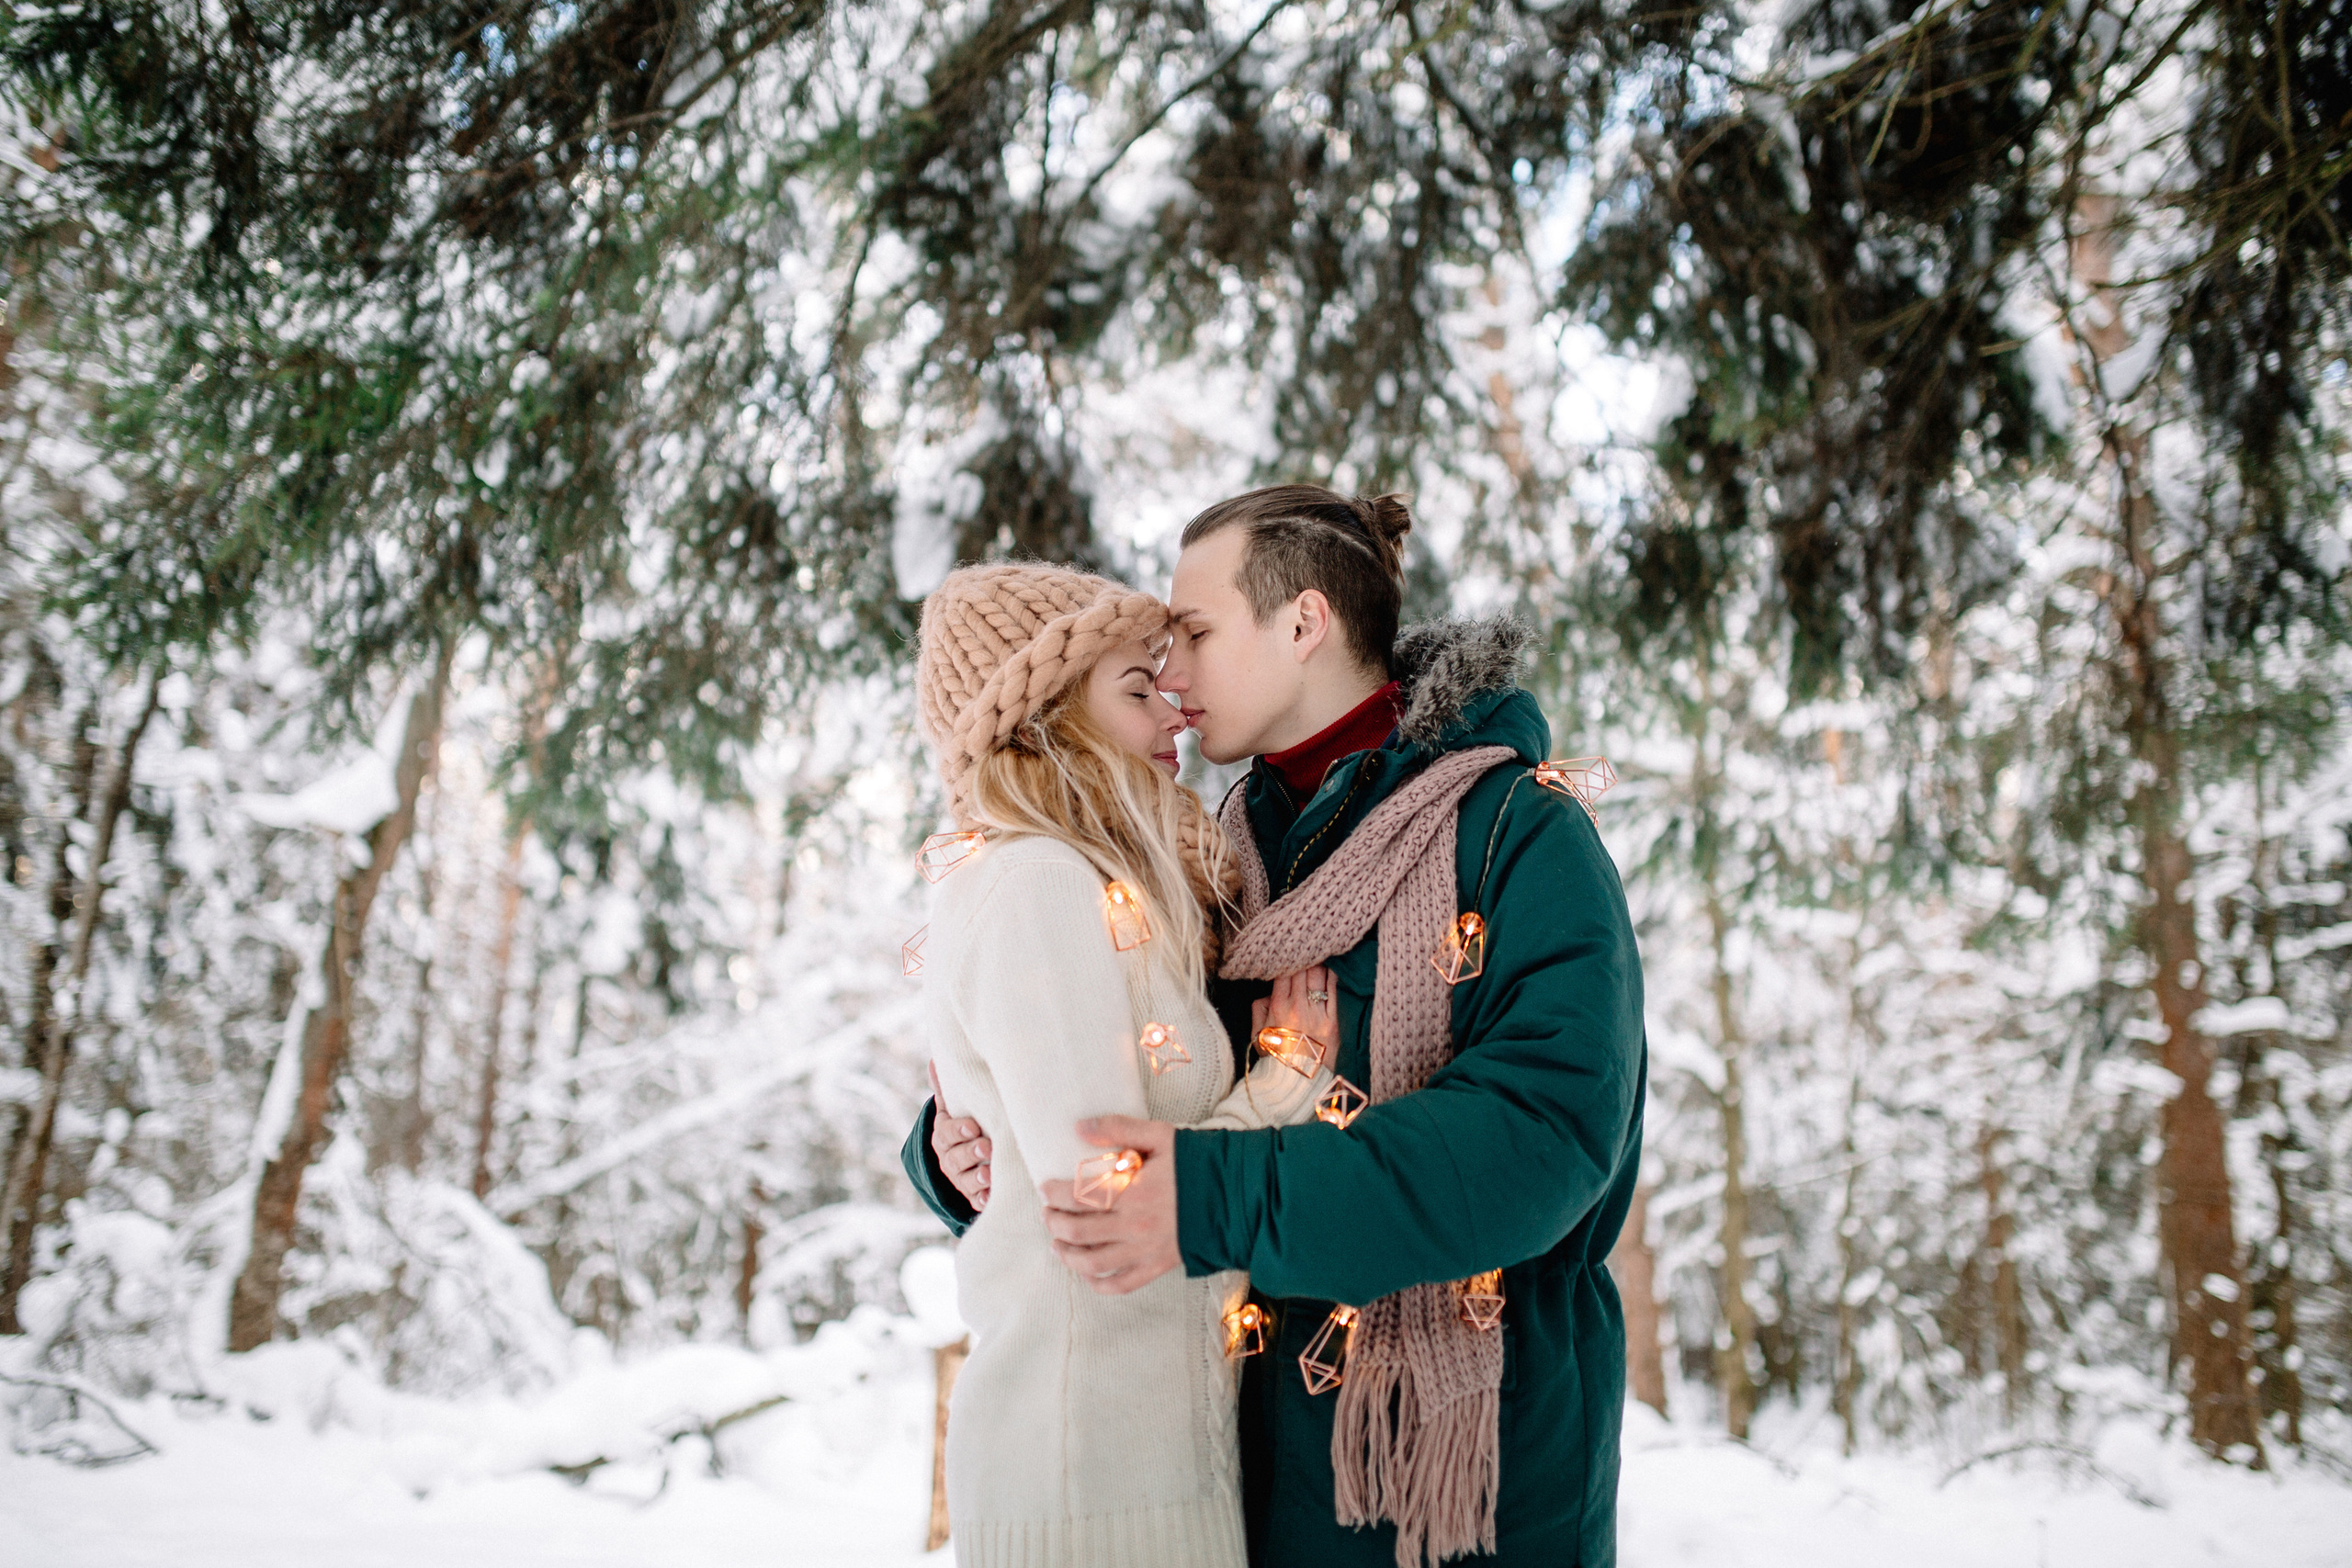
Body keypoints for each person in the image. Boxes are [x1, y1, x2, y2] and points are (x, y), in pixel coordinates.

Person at [908, 490, 1647, 1568]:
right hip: (1244, 1478)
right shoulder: (1212, 857)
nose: (1172, 677)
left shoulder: (1518, 835)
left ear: (1302, 623)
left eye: (1195, 634)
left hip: (1465, 1488)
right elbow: (1134, 1089)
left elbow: (1541, 1139)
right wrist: (961, 1148)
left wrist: (1215, 1199)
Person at [908, 561, 1341, 1568]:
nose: (1174, 713)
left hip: (1148, 1465)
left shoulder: (1112, 887)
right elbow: (1105, 1207)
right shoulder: (1035, 885)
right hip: (1088, 1480)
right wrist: (1283, 1083)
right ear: (1046, 718)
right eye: (1137, 689)